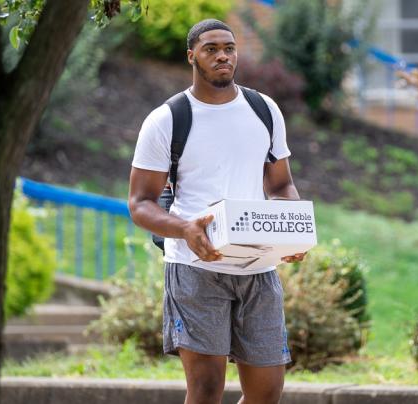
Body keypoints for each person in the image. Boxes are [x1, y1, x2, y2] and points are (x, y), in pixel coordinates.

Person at [128, 18, 306, 404]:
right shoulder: (167, 120)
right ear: (192, 55)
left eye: (229, 48)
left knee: (266, 392)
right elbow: (140, 203)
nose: (223, 55)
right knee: (207, 389)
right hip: (195, 268)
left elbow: (280, 185)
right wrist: (185, 229)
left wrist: (289, 230)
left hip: (258, 269)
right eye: (211, 49)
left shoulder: (264, 110)